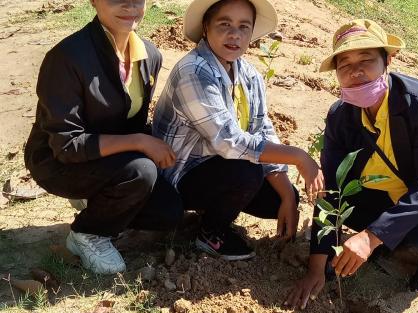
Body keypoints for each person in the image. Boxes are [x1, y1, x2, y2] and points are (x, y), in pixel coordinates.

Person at [286, 19, 418, 309]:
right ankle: (392, 237)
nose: (356, 71)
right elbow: (333, 191)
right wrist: (316, 267)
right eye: (345, 65)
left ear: (388, 60)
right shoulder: (342, 116)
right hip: (392, 192)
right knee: (347, 210)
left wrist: (371, 236)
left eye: (367, 60)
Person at [153, 0, 324, 261]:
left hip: (216, 166)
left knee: (278, 201)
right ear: (206, 27)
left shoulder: (249, 75)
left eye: (244, 27)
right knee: (247, 172)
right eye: (225, 24)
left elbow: (261, 129)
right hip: (180, 172)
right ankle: (211, 233)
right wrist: (299, 156)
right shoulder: (194, 70)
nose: (235, 35)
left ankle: (214, 210)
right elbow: (229, 142)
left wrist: (288, 194)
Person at [24, 0, 183, 275]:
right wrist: (140, 142)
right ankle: (88, 234)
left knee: (168, 212)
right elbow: (66, 145)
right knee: (141, 172)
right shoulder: (67, 57)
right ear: (94, 1)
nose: (129, 6)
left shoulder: (150, 56)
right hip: (58, 161)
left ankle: (99, 199)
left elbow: (131, 119)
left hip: (108, 158)